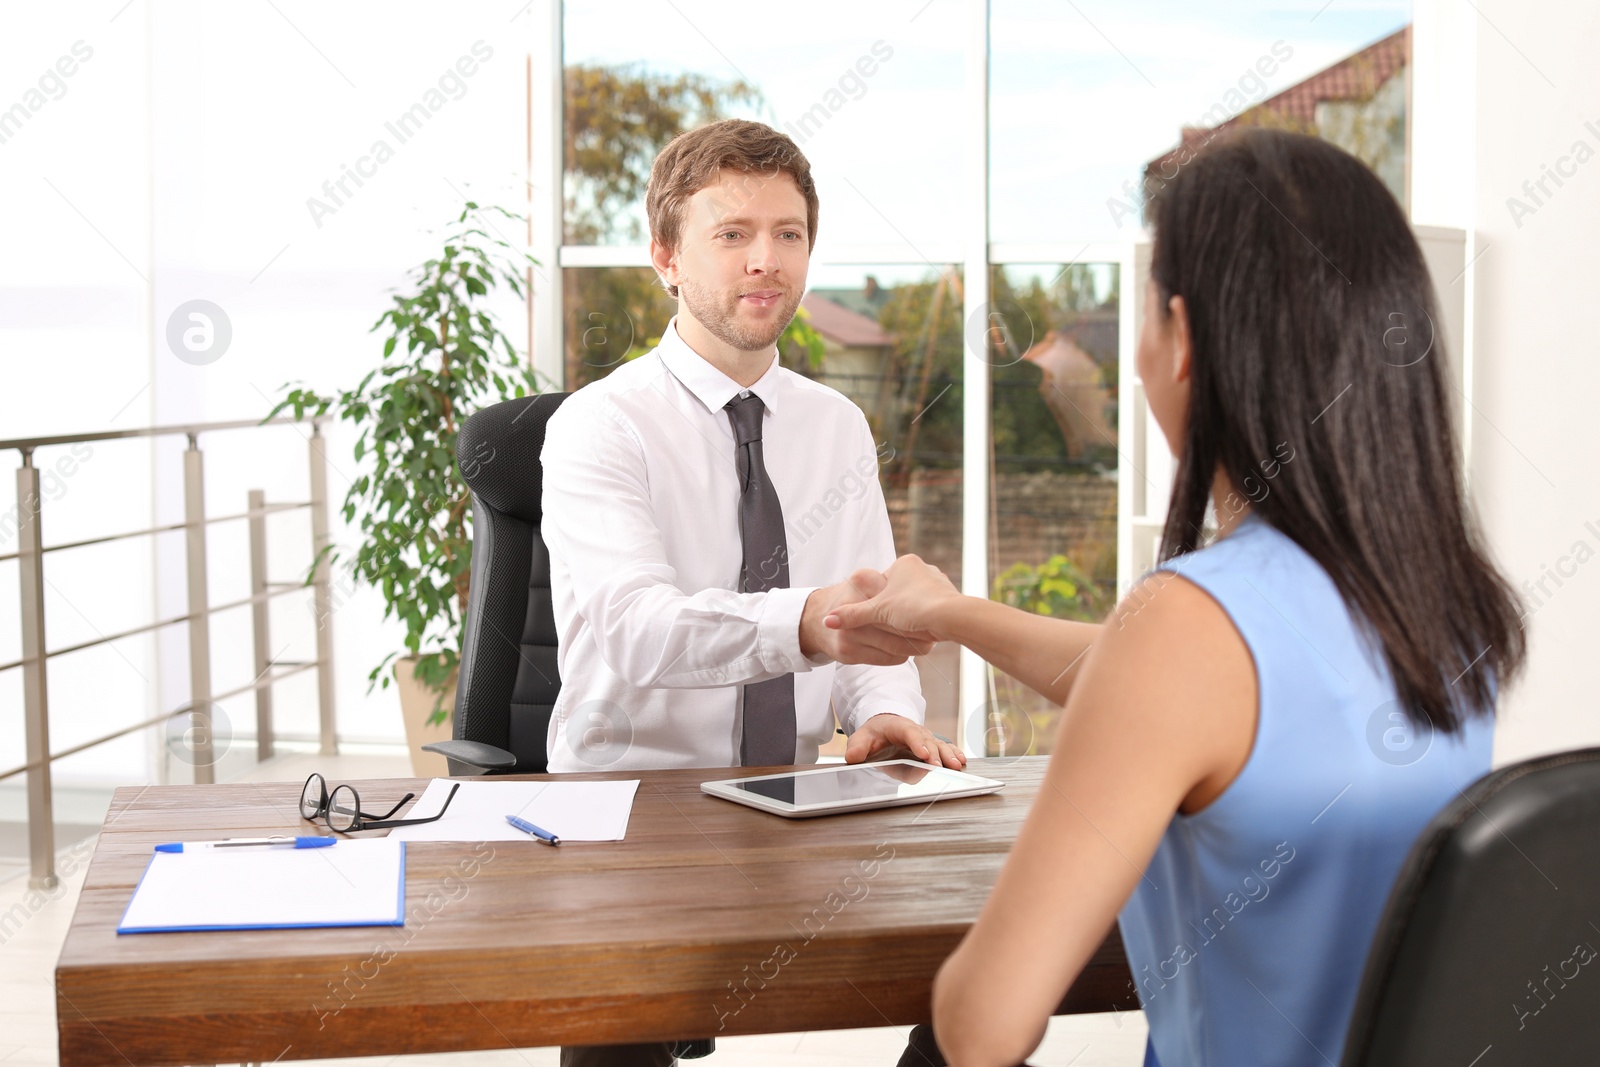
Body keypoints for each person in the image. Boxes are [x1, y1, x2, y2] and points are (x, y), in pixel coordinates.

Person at [826, 127, 1526, 1067]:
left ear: (1184, 338)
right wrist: (948, 613)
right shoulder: (1439, 600)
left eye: (1148, 304)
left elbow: (985, 1024)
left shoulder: (1189, 627)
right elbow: (1200, 698)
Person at [539, 118, 964, 1066]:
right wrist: (806, 623)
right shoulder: (598, 426)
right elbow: (633, 628)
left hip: (795, 802)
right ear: (666, 257)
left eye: (789, 234)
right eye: (732, 234)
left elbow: (868, 615)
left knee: (979, 976)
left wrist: (887, 709)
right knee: (619, 1036)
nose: (765, 261)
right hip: (630, 813)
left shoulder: (837, 426)